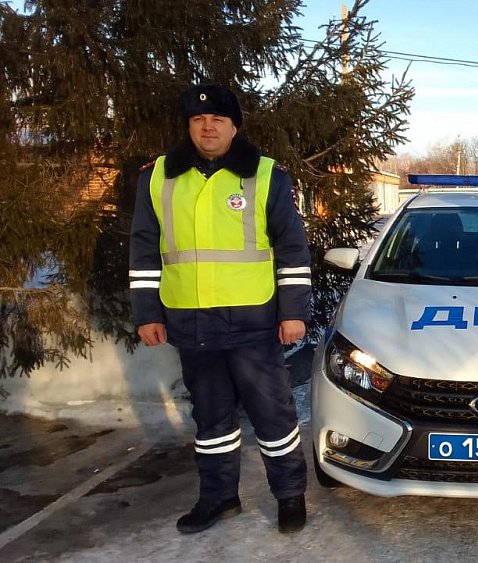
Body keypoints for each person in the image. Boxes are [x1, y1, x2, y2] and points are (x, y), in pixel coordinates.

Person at [129, 84, 312, 534]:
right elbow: (144, 248)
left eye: (217, 120)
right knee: (210, 420)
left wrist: (294, 312)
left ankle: (289, 497)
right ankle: (218, 498)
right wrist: (147, 312)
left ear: (235, 127)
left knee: (273, 415)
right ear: (189, 125)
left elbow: (292, 249)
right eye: (198, 119)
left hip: (253, 321)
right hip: (191, 322)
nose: (207, 126)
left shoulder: (267, 175)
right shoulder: (157, 177)